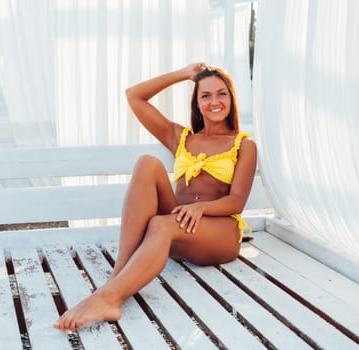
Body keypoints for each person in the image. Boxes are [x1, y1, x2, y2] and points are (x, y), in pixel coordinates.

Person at [53, 63, 257, 331]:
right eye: (205, 95)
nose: (214, 101)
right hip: (181, 230)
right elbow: (134, 96)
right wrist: (184, 74)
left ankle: (108, 297)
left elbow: (237, 201)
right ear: (196, 103)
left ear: (231, 98)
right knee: (147, 163)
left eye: (222, 94)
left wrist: (202, 208)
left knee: (159, 224)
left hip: (220, 233)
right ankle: (118, 277)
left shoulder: (243, 144)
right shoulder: (181, 138)